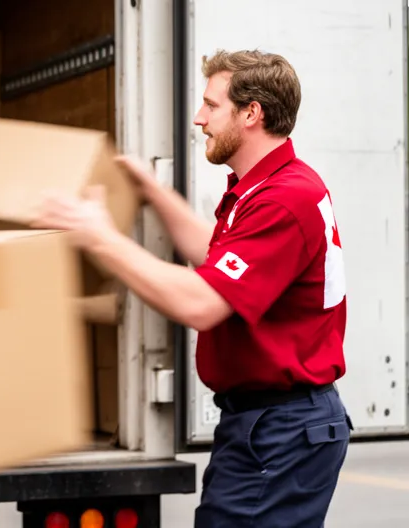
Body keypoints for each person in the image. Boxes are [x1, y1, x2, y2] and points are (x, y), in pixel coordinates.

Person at [32, 49, 351, 527]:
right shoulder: (263, 188)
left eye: (211, 105)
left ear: (251, 113)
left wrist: (100, 237)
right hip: (267, 424)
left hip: (280, 429)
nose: (199, 119)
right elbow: (216, 259)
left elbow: (202, 302)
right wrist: (155, 193)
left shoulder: (284, 200)